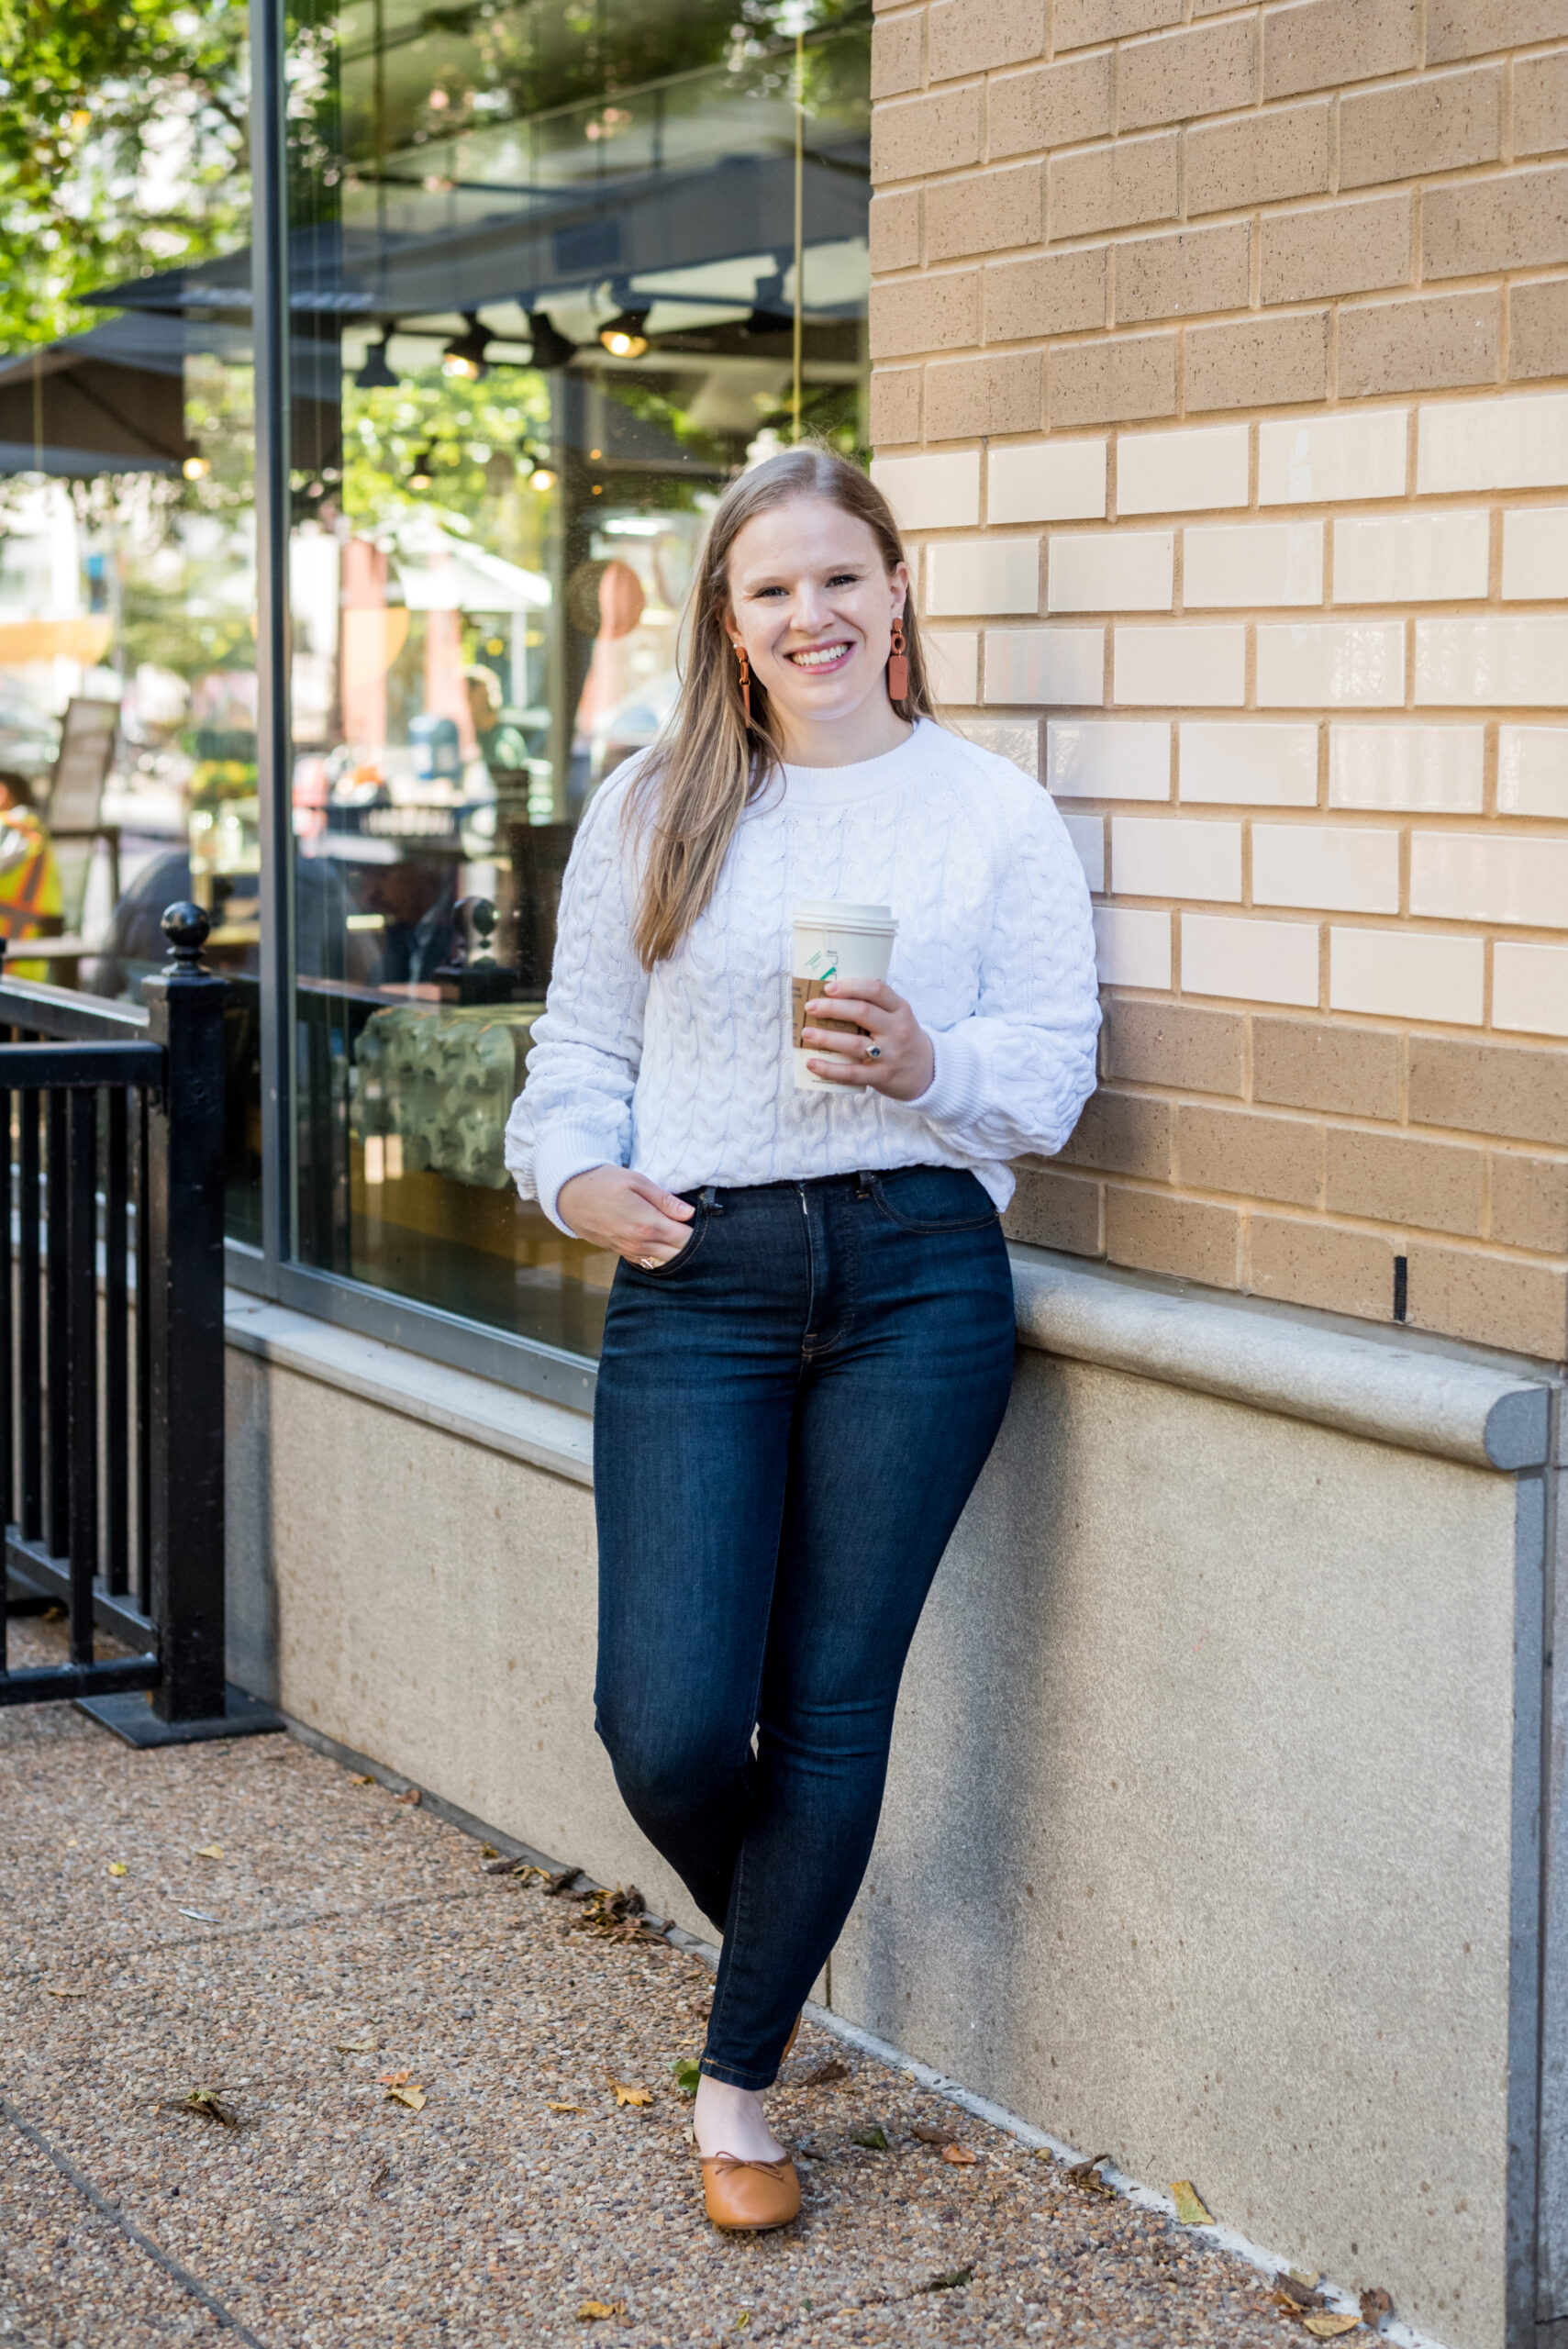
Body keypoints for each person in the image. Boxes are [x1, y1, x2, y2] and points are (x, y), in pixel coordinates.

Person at [503, 445, 1100, 2234]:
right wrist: (572, 1179)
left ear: (896, 591)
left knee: (828, 1706)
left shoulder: (988, 811)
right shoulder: (655, 802)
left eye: (840, 576)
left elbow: (1052, 1070)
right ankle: (788, 1919)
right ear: (727, 618)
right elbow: (572, 1053)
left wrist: (931, 1066)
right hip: (698, 1269)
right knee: (669, 1720)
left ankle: (740, 2071)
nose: (809, 613)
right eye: (771, 588)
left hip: (918, 1268)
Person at [0, 768, 63, 982]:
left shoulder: (13, 825)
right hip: (28, 952)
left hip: (11, 954)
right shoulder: (34, 828)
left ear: (3, 792)